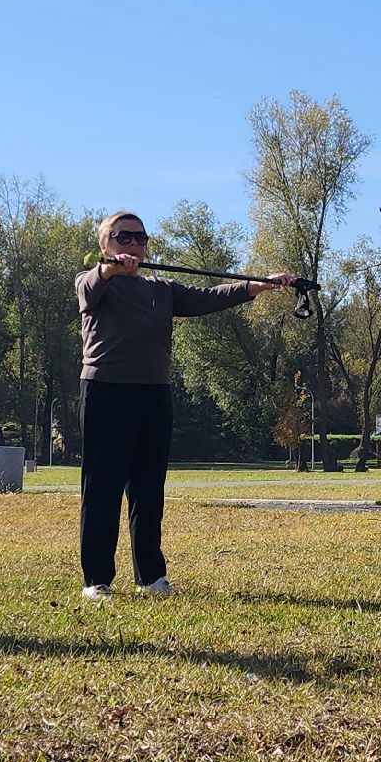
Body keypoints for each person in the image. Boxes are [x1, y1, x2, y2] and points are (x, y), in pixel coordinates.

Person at [74, 212, 294, 600]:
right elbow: (89, 287)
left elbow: (210, 297)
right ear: (105, 244)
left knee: (148, 487)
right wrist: (108, 271)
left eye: (140, 238)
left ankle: (151, 577)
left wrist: (256, 286)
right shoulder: (94, 283)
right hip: (106, 392)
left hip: (153, 394)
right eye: (124, 237)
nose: (134, 245)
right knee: (102, 487)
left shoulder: (161, 289)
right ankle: (96, 580)